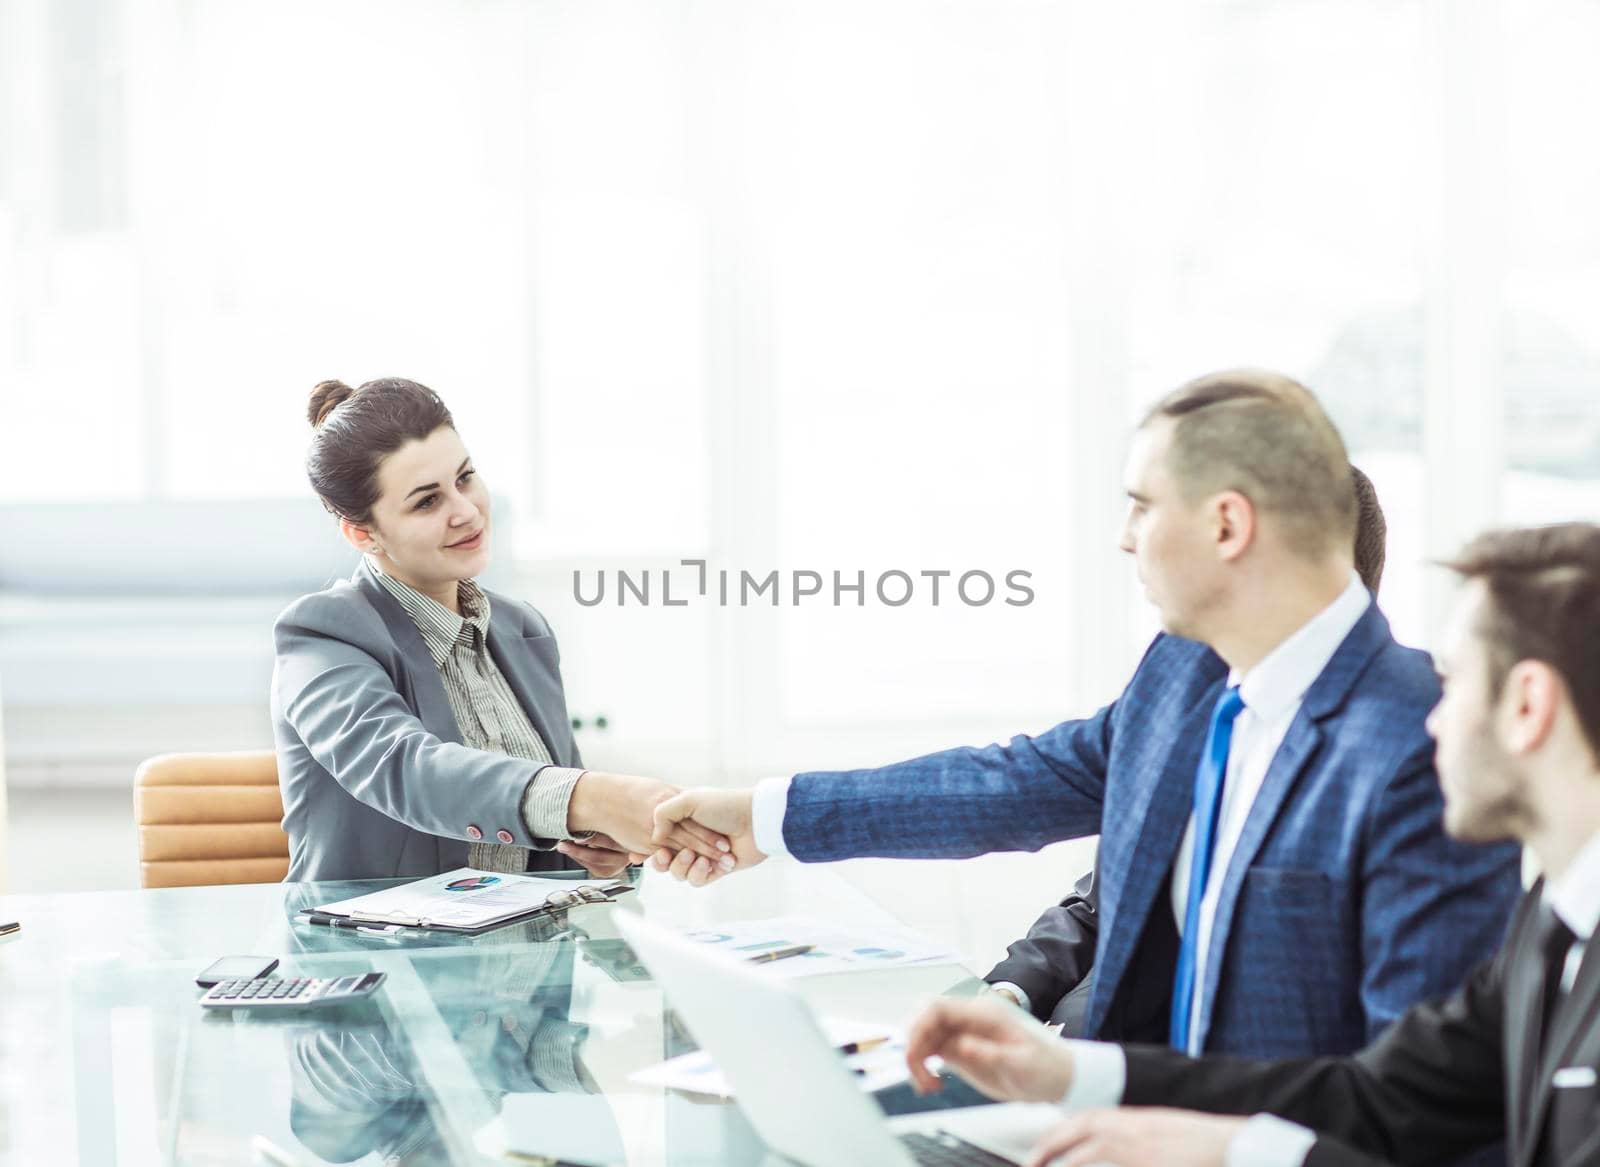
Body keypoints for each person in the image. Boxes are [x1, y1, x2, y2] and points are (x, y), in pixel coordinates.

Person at [652, 371, 1520, 1063]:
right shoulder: (1184, 673)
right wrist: (768, 816)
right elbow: (1013, 782)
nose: (1125, 535)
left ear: (1227, 524)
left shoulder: (1426, 742)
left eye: (1142, 503)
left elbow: (1419, 1094)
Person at [903, 522, 1600, 1167]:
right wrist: (1075, 1074)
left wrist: (1239, 1153)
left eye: (1456, 682)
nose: (1434, 718)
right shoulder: (1552, 919)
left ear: (1528, 706)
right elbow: (1379, 1095)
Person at [271, 377, 733, 882]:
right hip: (386, 954)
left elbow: (549, 830)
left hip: (527, 949)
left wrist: (595, 842)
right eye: (427, 502)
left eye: (465, 478)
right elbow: (405, 768)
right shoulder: (323, 635)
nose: (466, 511)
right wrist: (589, 797)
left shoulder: (523, 630)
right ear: (363, 533)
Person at [987, 464, 1390, 1030]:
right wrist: (1010, 992)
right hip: (1071, 1064)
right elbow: (1102, 904)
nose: (1129, 542)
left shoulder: (1391, 751)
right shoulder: (1197, 697)